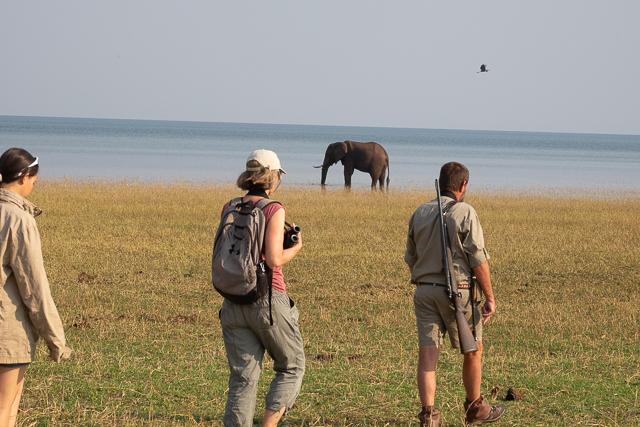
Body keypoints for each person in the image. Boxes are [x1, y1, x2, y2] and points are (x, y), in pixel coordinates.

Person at [404, 162, 505, 426]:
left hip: (424, 291)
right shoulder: (466, 212)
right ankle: (477, 409)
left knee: (427, 356)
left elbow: (411, 260)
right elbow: (478, 261)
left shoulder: (420, 212)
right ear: (462, 186)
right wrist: (490, 298)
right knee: (473, 351)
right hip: (457, 293)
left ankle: (429, 417)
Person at [218, 150, 305, 427]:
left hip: (232, 300)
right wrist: (297, 247)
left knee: (242, 378)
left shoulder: (229, 206)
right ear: (272, 177)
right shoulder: (273, 209)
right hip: (266, 301)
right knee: (291, 366)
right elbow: (274, 259)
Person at [0, 148, 72, 427]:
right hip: (7, 332)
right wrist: (55, 340)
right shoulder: (19, 220)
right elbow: (34, 287)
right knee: (6, 409)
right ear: (23, 177)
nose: (32, 186)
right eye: (33, 181)